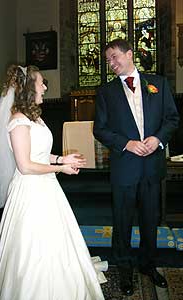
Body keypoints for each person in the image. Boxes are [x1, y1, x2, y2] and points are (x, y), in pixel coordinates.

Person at [0, 65, 107, 300]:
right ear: (30, 88)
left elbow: (39, 154)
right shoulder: (18, 121)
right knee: (32, 247)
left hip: (47, 187)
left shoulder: (35, 118)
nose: (45, 87)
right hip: (30, 191)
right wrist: (61, 168)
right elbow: (26, 165)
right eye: (41, 82)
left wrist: (61, 158)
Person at [93, 39, 179, 297]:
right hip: (125, 167)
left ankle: (148, 264)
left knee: (150, 219)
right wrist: (127, 144)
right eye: (108, 60)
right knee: (122, 222)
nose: (111, 63)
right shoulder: (106, 92)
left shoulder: (159, 84)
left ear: (129, 54)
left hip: (152, 166)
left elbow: (172, 119)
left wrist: (158, 139)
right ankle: (125, 269)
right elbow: (100, 129)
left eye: (114, 57)